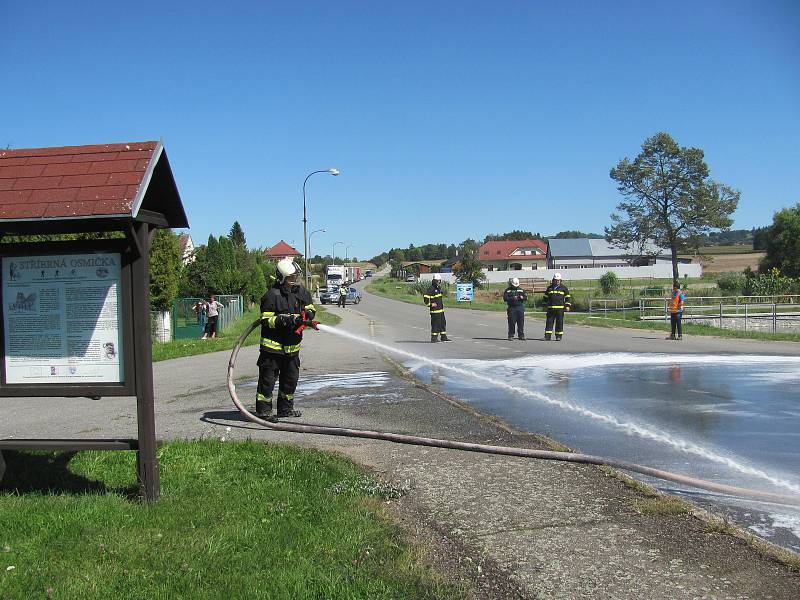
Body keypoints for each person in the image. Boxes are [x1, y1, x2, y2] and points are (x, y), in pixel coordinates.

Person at [255, 258, 315, 419]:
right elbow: (266, 321)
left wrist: (309, 314)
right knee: (267, 382)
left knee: (290, 381)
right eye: (290, 277)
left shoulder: (301, 292)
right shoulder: (271, 296)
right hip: (272, 349)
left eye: (296, 277)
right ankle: (264, 411)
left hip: (292, 348)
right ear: (281, 278)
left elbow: (310, 306)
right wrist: (284, 320)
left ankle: (285, 409)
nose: (294, 280)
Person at [543, 273, 571, 341]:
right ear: (553, 280)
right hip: (550, 308)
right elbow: (545, 297)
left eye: (558, 280)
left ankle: (558, 336)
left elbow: (567, 297)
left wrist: (567, 306)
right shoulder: (549, 288)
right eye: (556, 280)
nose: (557, 281)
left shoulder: (564, 288)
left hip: (560, 309)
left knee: (559, 323)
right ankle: (547, 336)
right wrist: (544, 305)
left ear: (560, 280)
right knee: (549, 322)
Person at [423, 273, 450, 342]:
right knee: (435, 324)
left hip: (440, 310)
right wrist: (430, 304)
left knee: (442, 323)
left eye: (440, 281)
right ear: (435, 281)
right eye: (438, 281)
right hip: (435, 311)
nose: (439, 282)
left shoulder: (438, 288)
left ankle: (443, 337)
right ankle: (434, 338)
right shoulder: (431, 288)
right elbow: (426, 296)